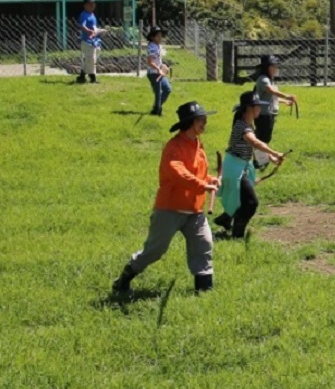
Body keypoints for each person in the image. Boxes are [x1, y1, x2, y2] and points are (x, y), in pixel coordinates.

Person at [112, 101, 220, 295]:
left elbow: (197, 174)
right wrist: (203, 185)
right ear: (191, 122)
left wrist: (210, 180)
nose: (205, 122)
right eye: (202, 119)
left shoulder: (198, 144)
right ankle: (122, 282)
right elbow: (179, 174)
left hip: (194, 210)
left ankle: (204, 293)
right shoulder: (173, 147)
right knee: (155, 250)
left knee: (203, 245)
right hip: (170, 209)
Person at [215, 91, 286, 239]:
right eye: (258, 106)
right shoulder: (242, 126)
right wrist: (275, 152)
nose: (260, 109)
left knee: (244, 200)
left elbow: (253, 147)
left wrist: (270, 157)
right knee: (251, 202)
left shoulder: (247, 125)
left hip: (240, 167)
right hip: (234, 168)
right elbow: (254, 142)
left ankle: (226, 219)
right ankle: (236, 235)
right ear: (249, 108)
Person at [252, 55, 296, 166]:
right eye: (273, 66)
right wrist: (287, 96)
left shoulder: (269, 80)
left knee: (263, 138)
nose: (276, 68)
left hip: (268, 114)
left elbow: (272, 97)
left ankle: (262, 159)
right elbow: (271, 91)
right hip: (263, 114)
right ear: (267, 67)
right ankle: (260, 161)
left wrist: (285, 101)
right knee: (263, 138)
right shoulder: (263, 79)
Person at [76, 0, 104, 84]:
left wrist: (99, 31)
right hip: (87, 42)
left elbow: (94, 28)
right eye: (89, 4)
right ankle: (93, 78)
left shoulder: (92, 15)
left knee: (92, 57)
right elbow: (82, 26)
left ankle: (81, 76)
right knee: (91, 59)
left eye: (93, 3)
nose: (92, 5)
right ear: (85, 5)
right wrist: (89, 31)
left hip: (94, 41)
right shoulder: (84, 15)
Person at [145, 26, 171, 116]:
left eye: (161, 36)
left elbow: (158, 60)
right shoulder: (152, 47)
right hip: (153, 74)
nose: (160, 38)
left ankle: (156, 107)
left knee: (167, 89)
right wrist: (158, 69)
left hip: (159, 73)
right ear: (152, 37)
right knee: (158, 93)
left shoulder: (158, 46)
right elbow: (150, 62)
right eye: (158, 36)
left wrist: (163, 66)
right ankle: (157, 111)